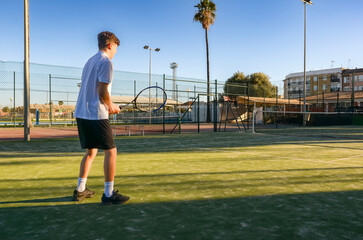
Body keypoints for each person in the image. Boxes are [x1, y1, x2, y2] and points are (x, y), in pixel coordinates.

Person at [72, 31, 130, 204]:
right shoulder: (106, 62)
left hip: (81, 113)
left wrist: (108, 104)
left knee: (91, 151)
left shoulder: (89, 61)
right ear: (110, 45)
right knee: (111, 152)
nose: (115, 53)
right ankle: (109, 193)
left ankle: (80, 190)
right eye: (116, 49)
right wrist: (111, 106)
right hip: (95, 114)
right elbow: (102, 91)